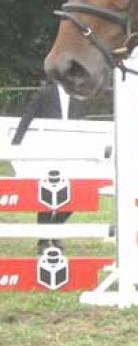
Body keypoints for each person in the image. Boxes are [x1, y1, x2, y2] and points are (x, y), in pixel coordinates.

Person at [11, 81, 87, 255]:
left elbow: (83, 123)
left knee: (77, 191)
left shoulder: (80, 95)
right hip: (49, 150)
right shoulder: (45, 94)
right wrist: (16, 143)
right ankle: (44, 239)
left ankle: (57, 226)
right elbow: (28, 116)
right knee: (48, 194)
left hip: (72, 152)